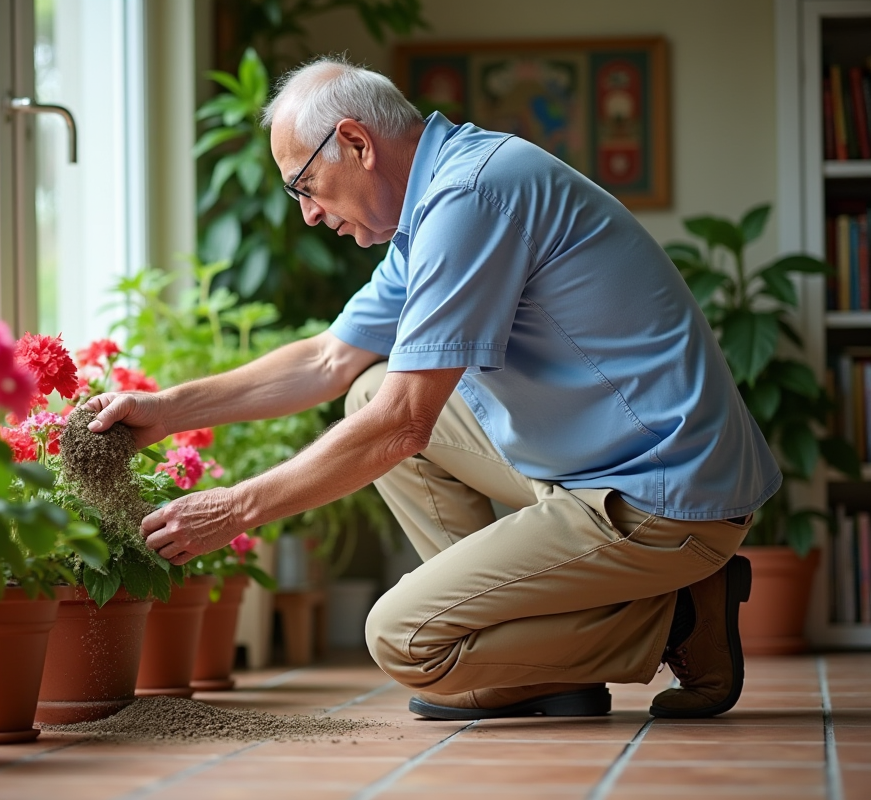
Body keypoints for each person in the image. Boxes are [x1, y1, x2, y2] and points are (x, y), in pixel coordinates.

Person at [83, 56, 781, 721]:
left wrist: (236, 508)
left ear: (355, 142)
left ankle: (679, 616)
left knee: (407, 641)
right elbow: (328, 361)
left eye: (304, 185)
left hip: (663, 495)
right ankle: (527, 655)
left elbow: (403, 425)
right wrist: (167, 410)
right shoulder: (432, 207)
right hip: (598, 464)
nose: (308, 214)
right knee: (365, 389)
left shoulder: (471, 195)